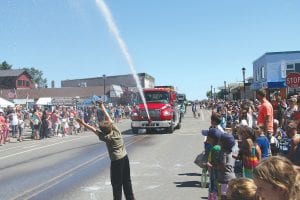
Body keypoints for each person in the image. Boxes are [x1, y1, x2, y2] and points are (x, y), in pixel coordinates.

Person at [76, 101, 135, 200]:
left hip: (116, 161)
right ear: (111, 126)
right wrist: (102, 106)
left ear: (103, 131)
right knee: (127, 180)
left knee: (116, 184)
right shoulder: (116, 130)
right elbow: (109, 118)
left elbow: (93, 130)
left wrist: (83, 123)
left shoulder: (106, 137)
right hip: (125, 157)